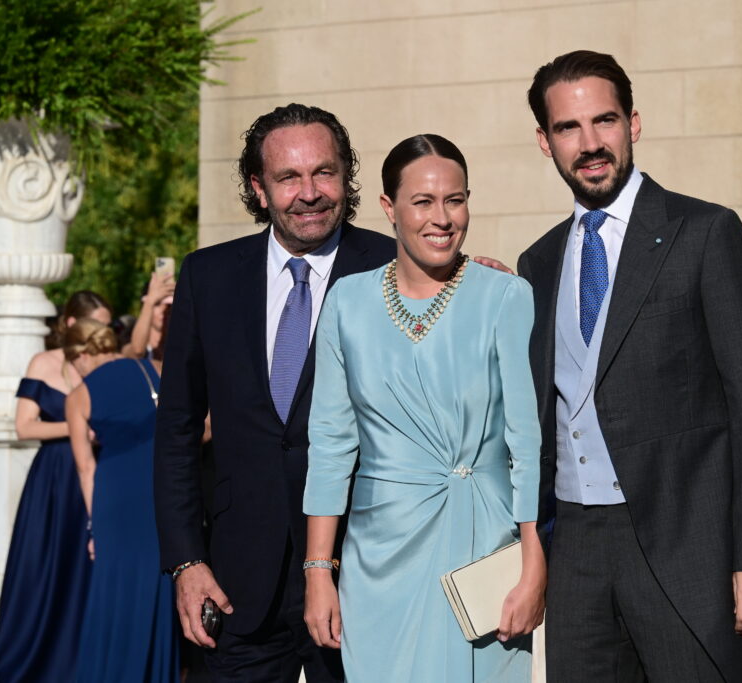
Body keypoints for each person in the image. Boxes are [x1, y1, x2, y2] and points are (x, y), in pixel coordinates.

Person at [155, 103, 511, 681]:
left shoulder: (402, 265)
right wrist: (185, 561)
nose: (309, 193)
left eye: (324, 172)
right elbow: (176, 430)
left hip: (372, 572)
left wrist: (480, 291)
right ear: (259, 187)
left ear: (347, 176)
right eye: (288, 177)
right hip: (236, 582)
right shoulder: (208, 277)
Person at [518, 50, 742, 682]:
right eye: (568, 128)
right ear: (545, 141)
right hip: (576, 553)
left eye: (605, 121)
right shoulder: (539, 262)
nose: (590, 143)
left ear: (633, 124)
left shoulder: (706, 233)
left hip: (685, 546)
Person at [303, 133, 545, 682]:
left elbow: (527, 446)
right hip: (378, 558)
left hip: (483, 551)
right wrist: (318, 571)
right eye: (423, 201)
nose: (442, 218)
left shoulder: (505, 296)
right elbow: (331, 446)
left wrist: (533, 565)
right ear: (389, 208)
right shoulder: (346, 303)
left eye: (455, 200)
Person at [0, 292, 111, 682]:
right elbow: (24, 426)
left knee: (86, 568)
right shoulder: (42, 363)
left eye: (107, 325)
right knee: (44, 567)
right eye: (96, 324)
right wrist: (76, 427)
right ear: (71, 324)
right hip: (55, 480)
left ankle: (82, 662)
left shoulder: (106, 362)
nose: (102, 333)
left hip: (97, 475)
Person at [65, 317, 179, 682]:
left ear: (81, 356)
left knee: (110, 591)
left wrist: (93, 527)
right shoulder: (154, 368)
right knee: (156, 583)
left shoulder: (78, 396)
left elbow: (85, 468)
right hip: (160, 488)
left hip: (113, 497)